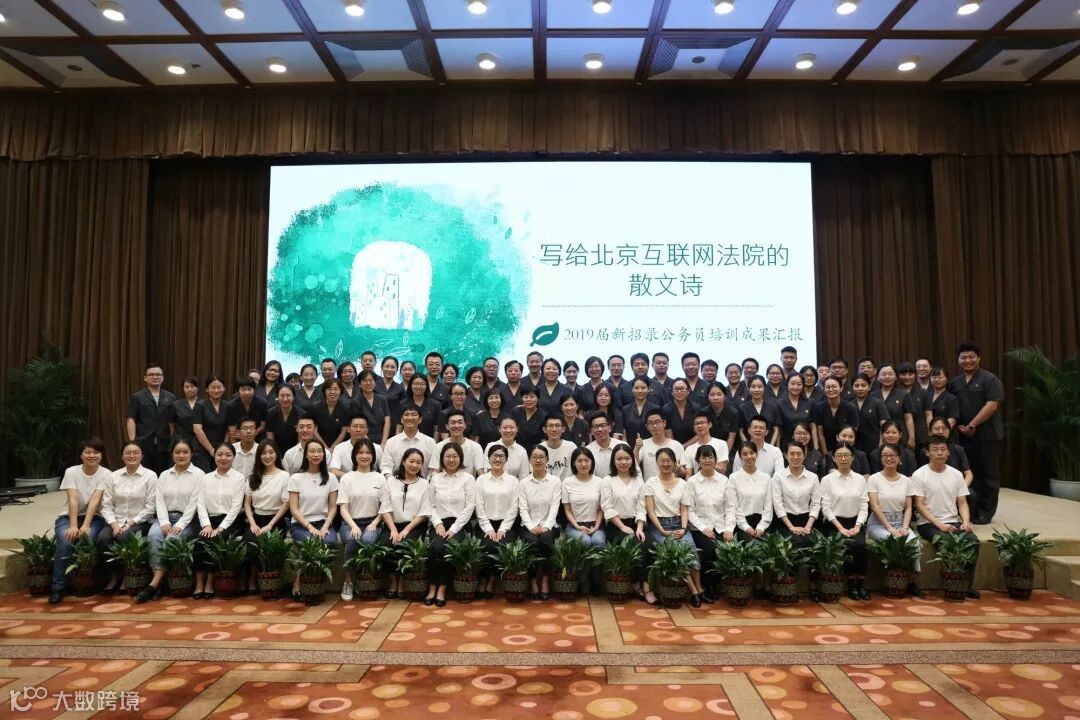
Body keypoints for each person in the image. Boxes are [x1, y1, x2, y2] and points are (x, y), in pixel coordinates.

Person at [912, 435, 981, 598]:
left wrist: (965, 522)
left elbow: (962, 503)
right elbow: (919, 505)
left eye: (943, 449)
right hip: (928, 524)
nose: (939, 453)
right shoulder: (919, 475)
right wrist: (939, 524)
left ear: (948, 452)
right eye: (935, 449)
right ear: (927, 452)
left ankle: (966, 585)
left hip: (954, 521)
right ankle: (951, 582)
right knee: (946, 540)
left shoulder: (956, 474)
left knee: (973, 541)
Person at [137, 439, 203, 603]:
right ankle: (158, 585)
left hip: (189, 520)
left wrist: (180, 525)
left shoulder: (199, 475)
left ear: (191, 454)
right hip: (165, 518)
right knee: (153, 537)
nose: (181, 455)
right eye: (177, 452)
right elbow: (159, 500)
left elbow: (194, 503)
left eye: (185, 452)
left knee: (171, 540)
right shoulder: (164, 475)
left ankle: (154, 585)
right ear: (172, 454)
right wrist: (164, 521)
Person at [949, 342, 1004, 524]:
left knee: (989, 475)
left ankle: (986, 512)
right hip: (963, 438)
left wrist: (972, 425)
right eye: (963, 357)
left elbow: (992, 405)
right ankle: (971, 509)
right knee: (969, 474)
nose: (968, 360)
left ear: (979, 358)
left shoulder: (990, 379)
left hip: (987, 436)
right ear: (958, 360)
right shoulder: (955, 382)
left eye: (971, 357)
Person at [50, 438, 109, 603]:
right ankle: (57, 588)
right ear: (81, 455)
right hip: (68, 517)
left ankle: (91, 583)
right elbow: (73, 499)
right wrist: (74, 525)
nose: (92, 455)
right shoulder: (71, 472)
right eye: (87, 452)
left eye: (96, 452)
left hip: (95, 518)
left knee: (88, 539)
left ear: (101, 455)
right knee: (67, 541)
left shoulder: (106, 474)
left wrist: (85, 526)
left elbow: (95, 501)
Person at [644, 447, 705, 606]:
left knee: (690, 548)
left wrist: (683, 528)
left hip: (679, 523)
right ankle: (694, 591)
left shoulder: (683, 484)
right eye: (662, 461)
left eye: (668, 460)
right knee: (675, 551)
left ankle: (699, 588)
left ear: (674, 462)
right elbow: (651, 512)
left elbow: (684, 509)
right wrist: (662, 530)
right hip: (659, 526)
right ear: (657, 462)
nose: (665, 464)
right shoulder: (651, 483)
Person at [96, 441, 156, 595]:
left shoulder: (150, 476)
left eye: (136, 452)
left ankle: (126, 576)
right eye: (128, 453)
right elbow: (106, 505)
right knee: (103, 539)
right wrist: (114, 524)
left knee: (124, 537)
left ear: (142, 455)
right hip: (115, 521)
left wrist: (129, 524)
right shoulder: (113, 476)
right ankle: (113, 577)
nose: (132, 456)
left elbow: (150, 507)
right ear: (122, 456)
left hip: (140, 522)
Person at [867, 442, 924, 597]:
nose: (889, 458)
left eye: (892, 455)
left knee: (914, 543)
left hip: (900, 521)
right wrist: (890, 528)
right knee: (892, 541)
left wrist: (905, 527)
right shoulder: (874, 479)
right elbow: (874, 507)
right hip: (879, 523)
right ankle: (892, 581)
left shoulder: (907, 481)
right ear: (881, 459)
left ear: (899, 459)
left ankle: (912, 581)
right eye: (885, 455)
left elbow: (908, 508)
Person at [287, 439, 339, 600]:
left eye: (319, 451)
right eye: (312, 451)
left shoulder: (331, 478)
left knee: (330, 542)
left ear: (324, 454)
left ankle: (316, 581)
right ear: (306, 455)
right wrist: (310, 527)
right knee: (312, 543)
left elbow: (332, 507)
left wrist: (325, 526)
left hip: (323, 523)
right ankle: (299, 581)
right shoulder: (296, 478)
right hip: (301, 524)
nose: (316, 454)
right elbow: (294, 509)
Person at [425, 443, 476, 606]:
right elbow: (430, 505)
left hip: (460, 523)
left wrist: (454, 528)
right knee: (435, 548)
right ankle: (432, 587)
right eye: (448, 456)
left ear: (460, 458)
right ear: (442, 459)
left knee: (449, 549)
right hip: (439, 522)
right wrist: (438, 524)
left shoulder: (468, 479)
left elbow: (469, 506)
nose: (451, 459)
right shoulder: (435, 478)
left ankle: (442, 589)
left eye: (455, 456)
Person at [599, 443, 652, 603]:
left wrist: (640, 527)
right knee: (636, 545)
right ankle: (644, 586)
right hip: (616, 526)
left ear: (632, 460)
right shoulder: (608, 480)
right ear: (613, 461)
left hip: (636, 524)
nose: (623, 462)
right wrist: (622, 527)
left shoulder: (639, 481)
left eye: (627, 458)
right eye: (619, 459)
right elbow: (607, 507)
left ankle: (640, 583)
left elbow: (641, 507)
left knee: (647, 544)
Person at [192, 443, 245, 599]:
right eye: (220, 454)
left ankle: (210, 583)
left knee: (215, 540)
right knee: (200, 541)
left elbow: (236, 507)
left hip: (231, 521)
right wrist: (207, 525)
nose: (223, 458)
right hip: (209, 521)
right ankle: (199, 584)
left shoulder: (239, 478)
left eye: (228, 455)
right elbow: (200, 504)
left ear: (233, 457)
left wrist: (220, 528)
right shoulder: (206, 478)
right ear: (214, 456)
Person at [820, 443, 870, 600]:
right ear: (833, 458)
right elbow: (826, 508)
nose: (843, 458)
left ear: (852, 457)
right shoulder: (827, 480)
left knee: (861, 545)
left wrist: (858, 526)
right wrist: (840, 528)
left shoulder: (860, 479)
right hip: (834, 524)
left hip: (855, 523)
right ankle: (851, 585)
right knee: (848, 545)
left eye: (847, 455)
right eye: (839, 455)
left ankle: (861, 584)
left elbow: (864, 505)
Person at [684, 444, 734, 603]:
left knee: (730, 549)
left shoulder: (724, 481)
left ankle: (715, 584)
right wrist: (703, 528)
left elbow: (730, 507)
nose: (707, 460)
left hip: (721, 526)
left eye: (710, 457)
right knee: (711, 550)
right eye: (703, 457)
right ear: (698, 461)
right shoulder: (692, 482)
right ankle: (707, 587)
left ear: (715, 460)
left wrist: (729, 529)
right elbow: (690, 511)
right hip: (700, 528)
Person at [379, 448, 431, 598]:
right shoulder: (390, 482)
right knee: (386, 545)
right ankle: (393, 581)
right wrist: (393, 529)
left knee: (405, 545)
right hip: (392, 524)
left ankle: (402, 582)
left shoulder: (424, 484)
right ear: (403, 461)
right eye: (411, 461)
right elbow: (385, 508)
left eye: (418, 462)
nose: (414, 465)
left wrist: (406, 530)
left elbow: (423, 512)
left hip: (414, 525)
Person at [241, 440, 290, 593]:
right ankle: (251, 579)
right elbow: (247, 503)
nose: (267, 456)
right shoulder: (253, 476)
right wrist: (252, 523)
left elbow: (285, 503)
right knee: (250, 544)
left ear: (276, 454)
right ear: (258, 456)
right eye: (263, 453)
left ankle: (273, 582)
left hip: (276, 520)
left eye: (271, 452)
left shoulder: (284, 476)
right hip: (256, 519)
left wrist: (270, 525)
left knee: (272, 549)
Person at [475, 444, 520, 598]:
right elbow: (479, 506)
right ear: (488, 459)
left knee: (502, 547)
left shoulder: (513, 481)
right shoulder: (481, 480)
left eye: (501, 456)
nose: (498, 459)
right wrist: (488, 528)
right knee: (487, 546)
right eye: (494, 456)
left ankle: (492, 580)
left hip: (507, 525)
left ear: (506, 459)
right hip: (485, 524)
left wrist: (502, 529)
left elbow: (514, 507)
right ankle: (483, 579)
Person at [518, 445, 562, 600]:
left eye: (541, 457)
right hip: (528, 525)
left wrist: (546, 526)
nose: (538, 460)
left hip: (548, 525)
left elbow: (555, 507)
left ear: (547, 460)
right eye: (534, 457)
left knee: (547, 540)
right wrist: (531, 526)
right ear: (530, 460)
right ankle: (532, 582)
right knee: (531, 542)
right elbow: (522, 508)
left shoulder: (555, 481)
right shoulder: (523, 483)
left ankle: (544, 580)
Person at [562, 447, 607, 594]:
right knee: (585, 541)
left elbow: (601, 509)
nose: (583, 464)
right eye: (579, 461)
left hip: (596, 525)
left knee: (598, 542)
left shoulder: (599, 482)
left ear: (592, 462)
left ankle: (596, 579)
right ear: (574, 463)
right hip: (574, 527)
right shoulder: (567, 482)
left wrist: (596, 526)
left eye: (586, 460)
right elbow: (567, 510)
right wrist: (578, 526)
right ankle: (582, 579)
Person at [126, 364, 176, 474]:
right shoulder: (137, 397)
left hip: (164, 443)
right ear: (145, 378)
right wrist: (133, 441)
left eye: (158, 374)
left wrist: (173, 439)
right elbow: (131, 419)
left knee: (163, 474)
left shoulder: (171, 397)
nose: (155, 377)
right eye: (152, 374)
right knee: (142, 473)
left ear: (162, 378)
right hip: (143, 442)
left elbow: (172, 422)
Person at [730, 442, 773, 543]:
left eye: (751, 453)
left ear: (756, 454)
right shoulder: (733, 478)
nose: (749, 456)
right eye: (745, 454)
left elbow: (768, 506)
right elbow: (734, 506)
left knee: (767, 547)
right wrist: (746, 527)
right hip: (742, 525)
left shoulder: (766, 478)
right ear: (740, 457)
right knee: (752, 545)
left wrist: (761, 527)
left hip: (763, 524)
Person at [380, 406, 436, 478]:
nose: (410, 418)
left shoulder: (430, 442)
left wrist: (426, 482)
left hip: (424, 483)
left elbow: (433, 469)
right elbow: (386, 467)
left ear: (420, 419)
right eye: (406, 414)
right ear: (401, 419)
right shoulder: (391, 442)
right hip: (396, 482)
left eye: (414, 414)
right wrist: (392, 481)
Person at [872, 364, 916, 450]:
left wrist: (912, 438)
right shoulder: (872, 395)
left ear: (896, 377)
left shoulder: (903, 394)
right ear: (878, 377)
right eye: (883, 374)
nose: (887, 377)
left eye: (890, 374)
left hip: (899, 437)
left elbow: (908, 418)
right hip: (877, 437)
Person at [919, 417, 973, 485]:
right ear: (930, 431)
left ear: (949, 430)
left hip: (957, 485)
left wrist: (962, 488)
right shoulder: (925, 451)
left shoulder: (958, 449)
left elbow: (968, 474)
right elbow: (924, 474)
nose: (940, 432)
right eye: (937, 429)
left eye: (944, 428)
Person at [813, 376, 859, 454]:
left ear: (841, 388)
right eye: (828, 387)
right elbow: (821, 434)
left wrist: (846, 451)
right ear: (824, 389)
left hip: (846, 448)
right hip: (827, 448)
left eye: (834, 386)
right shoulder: (819, 407)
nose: (831, 390)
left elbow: (853, 433)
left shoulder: (851, 408)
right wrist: (826, 454)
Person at [636, 408, 685, 481]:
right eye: (651, 423)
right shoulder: (643, 444)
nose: (655, 426)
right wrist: (637, 448)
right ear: (647, 427)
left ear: (664, 423)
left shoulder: (676, 445)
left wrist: (679, 470)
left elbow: (684, 473)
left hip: (672, 485)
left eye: (657, 422)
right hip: (650, 486)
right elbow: (634, 465)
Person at [431, 410, 484, 477]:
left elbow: (480, 472)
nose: (456, 426)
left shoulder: (476, 447)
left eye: (460, 422)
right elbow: (434, 471)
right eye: (453, 423)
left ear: (465, 425)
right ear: (447, 426)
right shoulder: (439, 447)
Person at [192, 375, 229, 473]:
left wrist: (224, 447)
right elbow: (197, 429)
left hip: (221, 449)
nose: (216, 390)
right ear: (207, 389)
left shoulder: (228, 406)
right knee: (204, 475)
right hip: (202, 448)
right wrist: (211, 450)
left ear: (224, 388)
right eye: (213, 387)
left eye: (219, 387)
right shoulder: (200, 405)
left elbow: (229, 429)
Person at [898, 362, 933, 450]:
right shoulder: (896, 393)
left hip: (921, 435)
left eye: (910, 374)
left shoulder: (923, 392)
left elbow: (928, 415)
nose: (907, 377)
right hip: (900, 435)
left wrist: (930, 434)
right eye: (904, 374)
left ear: (915, 375)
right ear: (898, 376)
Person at [683, 410, 730, 476]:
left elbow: (722, 470)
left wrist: (706, 463)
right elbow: (689, 474)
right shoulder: (689, 449)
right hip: (698, 481)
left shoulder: (721, 444)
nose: (699, 426)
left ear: (710, 425)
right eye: (696, 423)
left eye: (702, 423)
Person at [738, 376, 781, 446]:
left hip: (769, 446)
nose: (756, 390)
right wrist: (748, 446)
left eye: (760, 386)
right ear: (748, 389)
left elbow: (776, 429)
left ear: (764, 388)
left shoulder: (773, 407)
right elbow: (740, 431)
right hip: (749, 448)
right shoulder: (742, 408)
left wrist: (771, 446)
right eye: (753, 387)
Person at [775, 373, 813, 451]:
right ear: (787, 384)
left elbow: (813, 426)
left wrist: (816, 447)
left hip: (806, 445)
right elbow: (778, 429)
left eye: (799, 384)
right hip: (786, 446)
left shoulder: (810, 403)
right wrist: (777, 449)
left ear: (803, 386)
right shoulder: (779, 404)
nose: (795, 387)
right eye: (792, 384)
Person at [852, 376, 889, 456]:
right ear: (852, 387)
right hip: (855, 445)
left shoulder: (878, 403)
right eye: (856, 386)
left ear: (869, 387)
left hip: (875, 443)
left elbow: (884, 425)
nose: (860, 388)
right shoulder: (850, 404)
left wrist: (881, 443)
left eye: (863, 385)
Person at [354, 369, 392, 447]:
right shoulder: (355, 402)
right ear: (359, 384)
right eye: (365, 380)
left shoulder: (382, 399)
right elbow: (358, 425)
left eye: (371, 380)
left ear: (375, 383)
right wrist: (369, 445)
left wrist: (384, 442)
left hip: (383, 440)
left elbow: (387, 421)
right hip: (363, 441)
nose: (368, 383)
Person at [311, 378, 350, 450]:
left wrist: (332, 448)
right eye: (329, 389)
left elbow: (344, 432)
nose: (332, 392)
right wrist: (325, 448)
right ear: (324, 391)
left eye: (336, 389)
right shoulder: (315, 407)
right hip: (318, 445)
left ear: (341, 391)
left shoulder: (346, 408)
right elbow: (313, 430)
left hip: (339, 446)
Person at [265, 384, 305, 453]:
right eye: (282, 396)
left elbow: (300, 439)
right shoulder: (271, 413)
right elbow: (270, 438)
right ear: (277, 397)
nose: (285, 399)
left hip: (296, 451)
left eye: (288, 395)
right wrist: (275, 454)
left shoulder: (301, 414)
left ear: (294, 397)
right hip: (276, 451)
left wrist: (294, 455)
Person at [226, 377, 267, 442]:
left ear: (254, 390)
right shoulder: (231, 406)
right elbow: (232, 432)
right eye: (243, 389)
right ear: (238, 391)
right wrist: (233, 447)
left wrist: (250, 435)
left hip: (258, 437)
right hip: (238, 439)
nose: (247, 392)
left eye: (249, 389)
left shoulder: (262, 403)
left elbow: (262, 426)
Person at [704, 383, 740, 454]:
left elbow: (731, 437)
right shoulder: (703, 413)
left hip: (729, 448)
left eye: (719, 394)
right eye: (712, 395)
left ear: (725, 396)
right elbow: (703, 436)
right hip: (707, 449)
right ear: (708, 397)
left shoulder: (733, 413)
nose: (716, 398)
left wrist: (724, 455)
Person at [621, 378, 656, 449]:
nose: (640, 391)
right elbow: (624, 433)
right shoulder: (625, 409)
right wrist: (626, 448)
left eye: (643, 388)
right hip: (630, 448)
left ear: (648, 389)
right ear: (632, 389)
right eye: (636, 388)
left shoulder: (655, 408)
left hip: (651, 449)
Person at [511, 387, 547, 453]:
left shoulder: (544, 416)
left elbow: (544, 439)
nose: (528, 399)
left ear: (538, 398)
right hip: (515, 451)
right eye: (525, 397)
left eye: (532, 397)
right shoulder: (515, 412)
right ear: (522, 398)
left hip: (535, 453)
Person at [167, 376, 200, 447]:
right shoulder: (176, 404)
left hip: (199, 440)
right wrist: (174, 437)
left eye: (192, 386)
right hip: (180, 440)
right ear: (183, 389)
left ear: (197, 388)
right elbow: (171, 424)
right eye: (186, 387)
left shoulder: (203, 404)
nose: (189, 389)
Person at [539, 415, 575, 479]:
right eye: (550, 426)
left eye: (557, 426)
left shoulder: (571, 447)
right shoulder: (539, 449)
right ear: (544, 429)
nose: (554, 429)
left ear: (563, 429)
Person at [662, 378, 696, 444]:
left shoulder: (695, 408)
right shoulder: (665, 409)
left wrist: (684, 446)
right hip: (673, 446)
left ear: (688, 391)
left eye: (682, 389)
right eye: (676, 389)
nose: (679, 392)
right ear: (672, 392)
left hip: (693, 445)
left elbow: (699, 433)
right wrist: (677, 448)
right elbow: (668, 434)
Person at [929, 366, 960, 433]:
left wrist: (941, 433)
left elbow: (952, 420)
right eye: (934, 377)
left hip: (944, 434)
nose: (937, 380)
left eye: (940, 377)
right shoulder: (926, 395)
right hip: (929, 434)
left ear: (947, 379)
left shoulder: (951, 398)